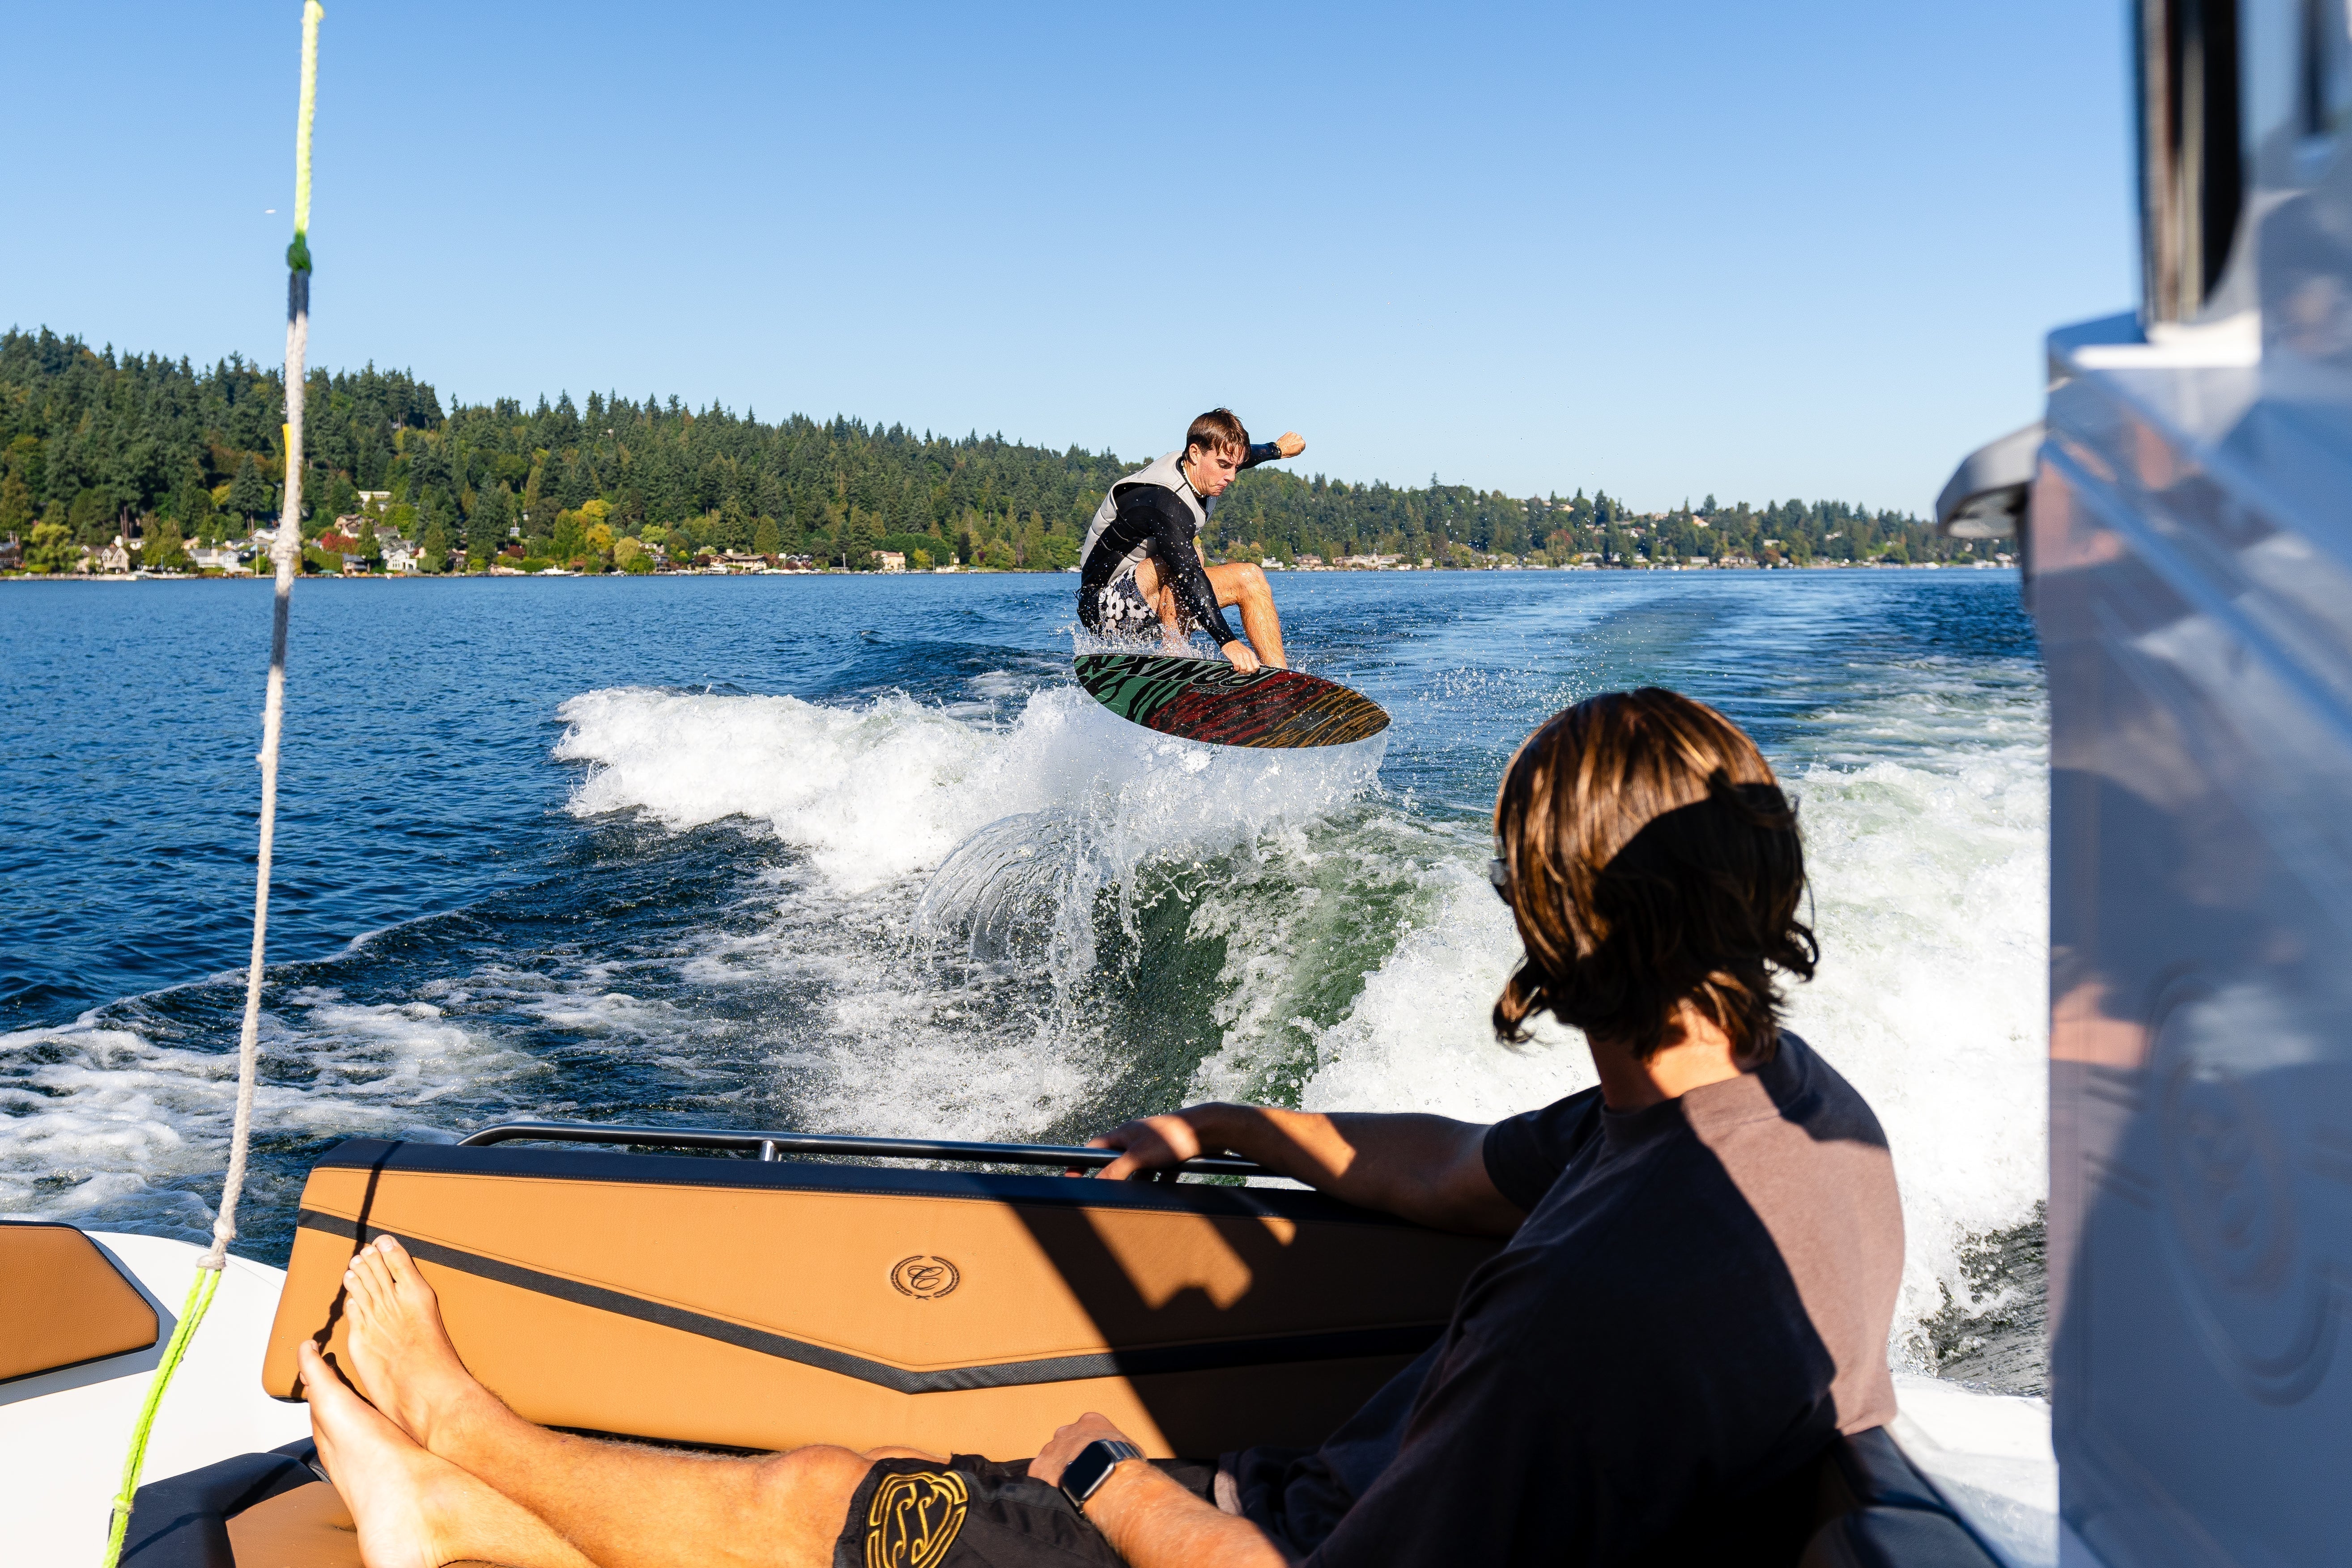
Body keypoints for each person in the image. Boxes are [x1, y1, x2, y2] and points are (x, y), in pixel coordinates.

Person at [298, 687, 1903, 1568]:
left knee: (817, 1495)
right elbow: (1453, 1167)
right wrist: (1225, 1122)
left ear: (1542, 929)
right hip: (1303, 1500)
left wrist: (1122, 1477)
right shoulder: (1785, 1117)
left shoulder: (1591, 1310)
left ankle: (464, 1456)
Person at [1077, 409, 1303, 672]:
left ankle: (1282, 682)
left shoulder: (1210, 465)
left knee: (1251, 578)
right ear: (1195, 453)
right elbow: (1190, 575)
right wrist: (1228, 642)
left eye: (1235, 466)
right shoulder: (1166, 502)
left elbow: (1244, 456)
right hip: (1103, 608)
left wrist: (1277, 449)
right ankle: (1174, 658)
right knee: (1190, 558)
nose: (1231, 476)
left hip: (1149, 595)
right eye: (1223, 466)